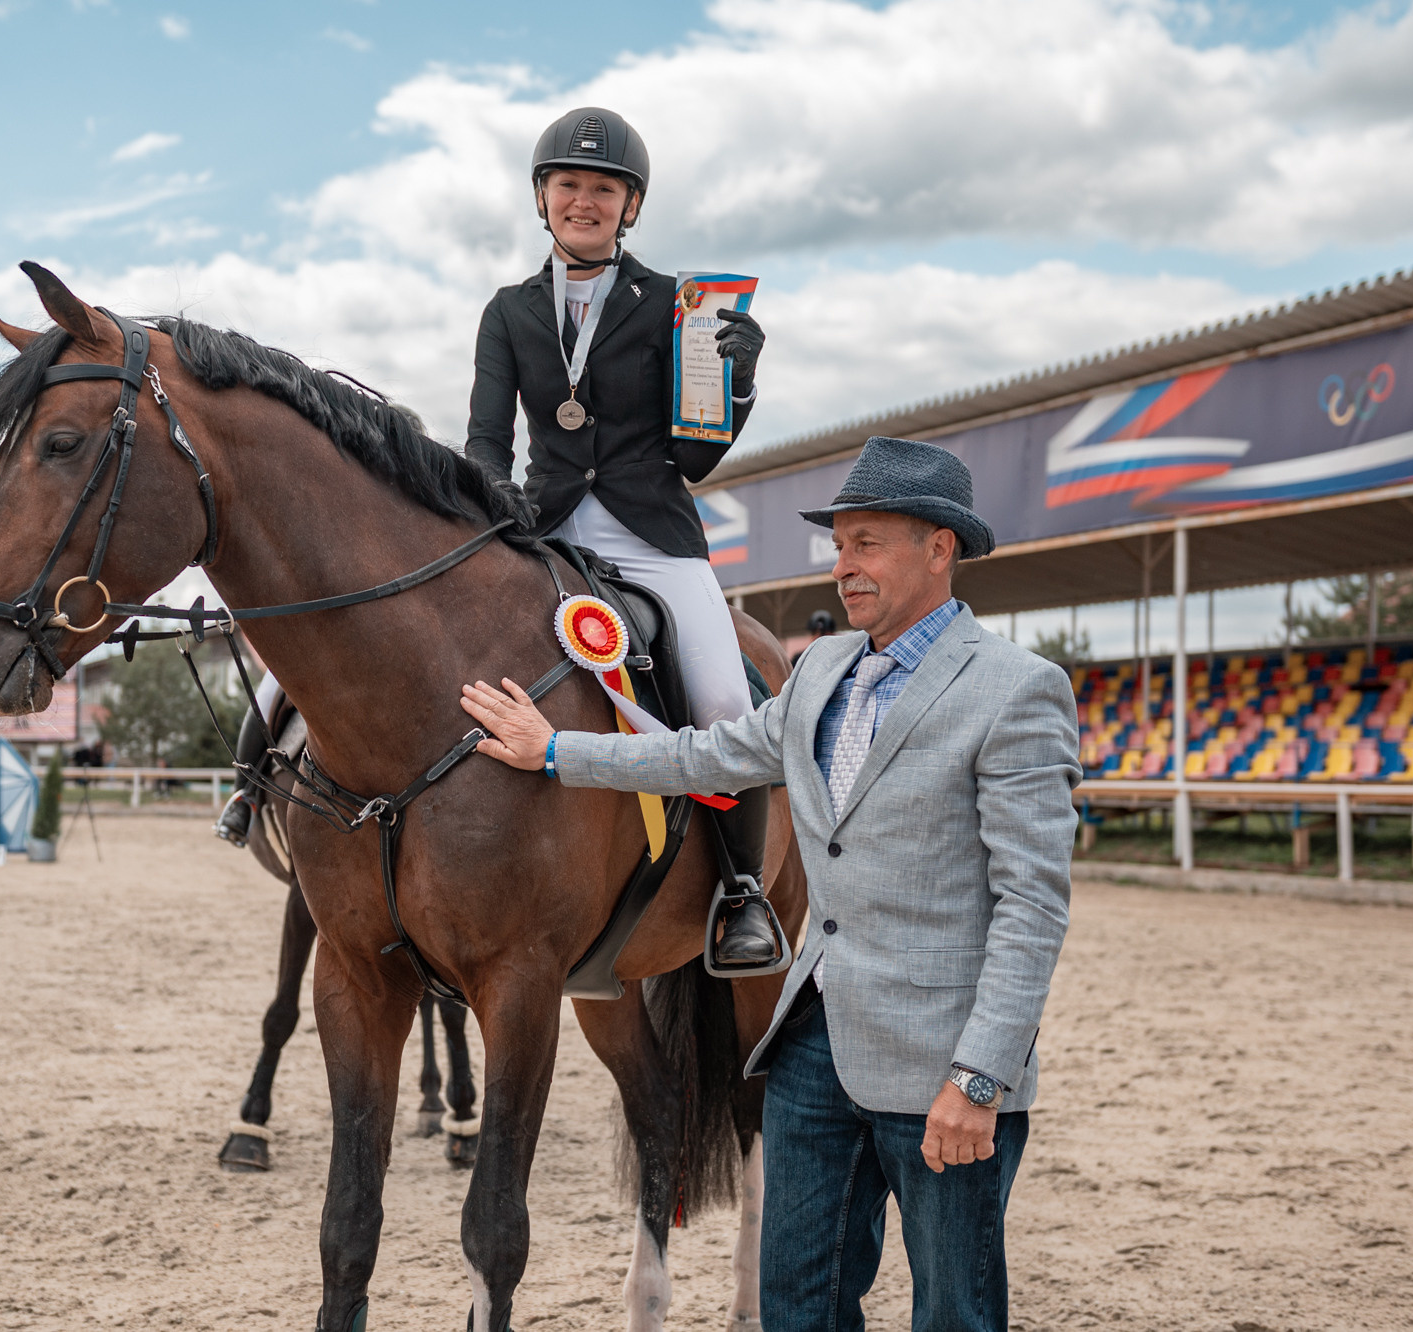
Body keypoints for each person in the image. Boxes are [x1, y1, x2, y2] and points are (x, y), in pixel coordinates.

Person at [460, 437, 1081, 1332]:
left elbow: (1031, 907)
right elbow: (699, 755)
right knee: (798, 1306)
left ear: (939, 548)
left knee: (954, 1312)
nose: (844, 567)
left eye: (868, 543)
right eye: (840, 546)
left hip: (941, 1060)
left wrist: (980, 1078)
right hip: (811, 1049)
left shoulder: (1018, 691)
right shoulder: (822, 669)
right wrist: (553, 749)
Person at [462, 104, 779, 971]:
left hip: (654, 535)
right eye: (569, 185)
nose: (585, 201)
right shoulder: (508, 312)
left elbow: (695, 456)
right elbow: (489, 437)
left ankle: (742, 892)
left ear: (629, 205)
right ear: (543, 197)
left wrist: (736, 383)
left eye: (604, 189)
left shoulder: (678, 305)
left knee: (722, 701)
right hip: (544, 529)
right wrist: (492, 513)